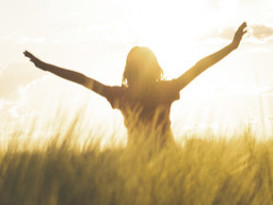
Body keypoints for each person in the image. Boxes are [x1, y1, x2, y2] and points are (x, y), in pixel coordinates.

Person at [23, 22, 248, 149]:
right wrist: (231, 46)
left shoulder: (122, 95)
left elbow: (81, 78)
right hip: (164, 160)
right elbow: (199, 67)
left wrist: (46, 67)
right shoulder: (163, 90)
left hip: (139, 164)